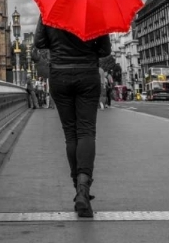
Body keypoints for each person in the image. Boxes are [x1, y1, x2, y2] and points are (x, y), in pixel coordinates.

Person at [34, 15, 112, 218]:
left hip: (59, 74)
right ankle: (83, 190)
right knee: (86, 131)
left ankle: (78, 189)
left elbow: (39, 42)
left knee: (71, 134)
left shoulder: (50, 10)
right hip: (87, 74)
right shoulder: (95, 11)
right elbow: (105, 50)